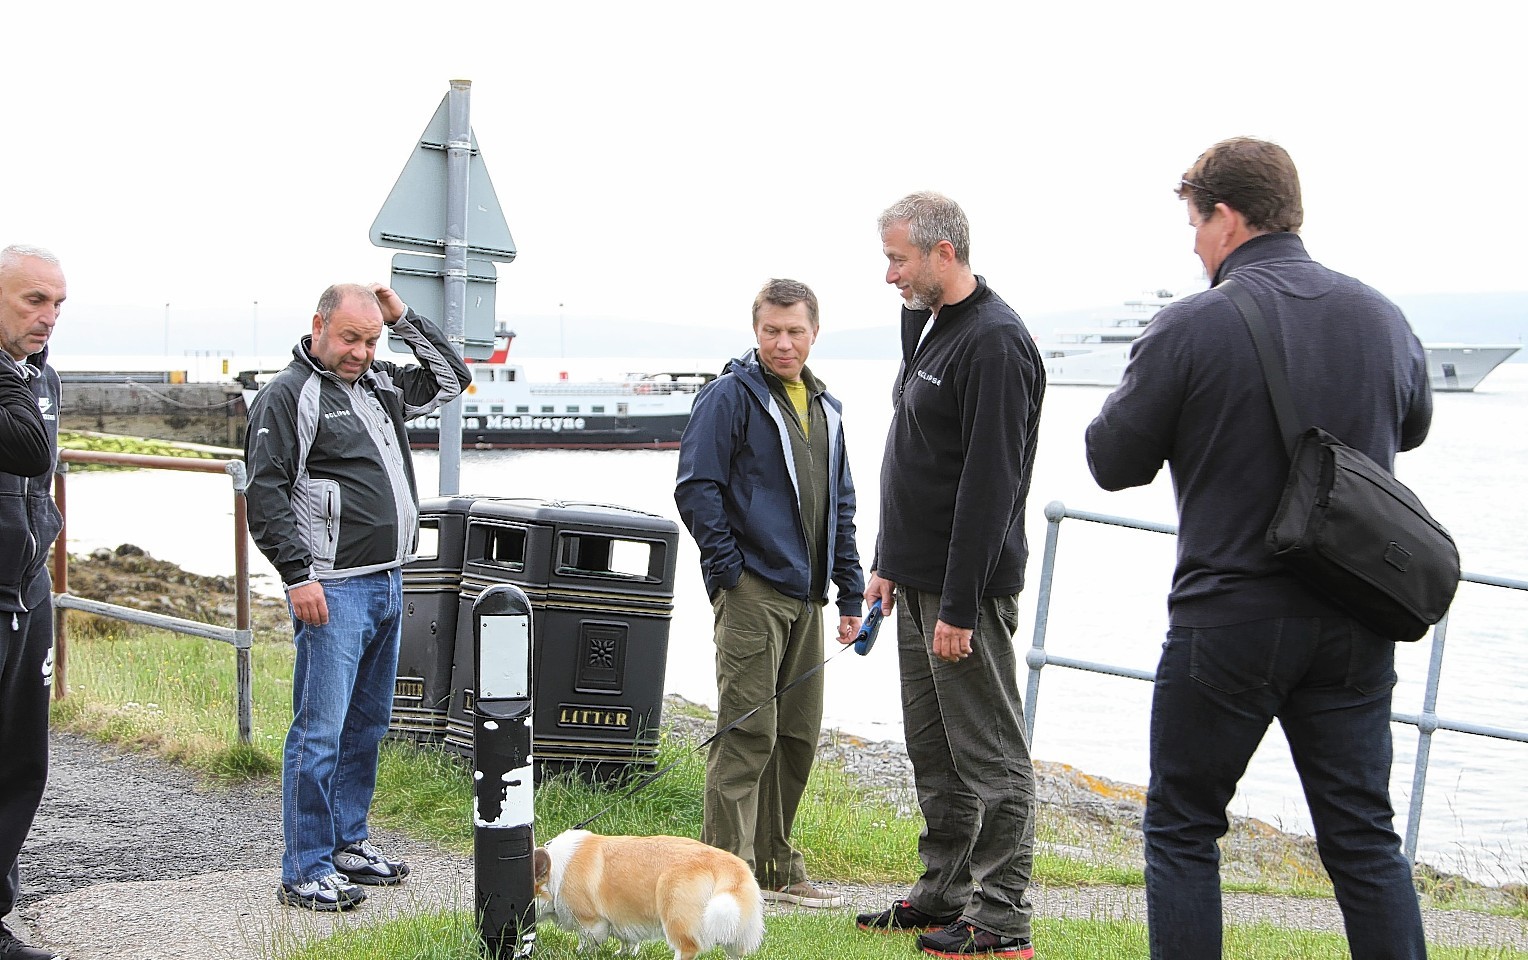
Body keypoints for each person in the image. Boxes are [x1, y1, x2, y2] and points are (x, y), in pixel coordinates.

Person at [1084, 137, 1432, 960]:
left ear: (1227, 217)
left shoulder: (1193, 322)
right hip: (1355, 616)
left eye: (1196, 223)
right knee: (1363, 839)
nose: (1194, 244)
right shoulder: (1381, 315)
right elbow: (1411, 425)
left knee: (1182, 827)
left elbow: (1111, 461)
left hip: (1230, 615)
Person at [857, 194, 1044, 960]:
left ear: (943, 252)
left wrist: (960, 606)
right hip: (915, 580)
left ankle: (1001, 921)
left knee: (990, 755)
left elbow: (988, 487)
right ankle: (944, 892)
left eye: (899, 258)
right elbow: (916, 461)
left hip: (966, 593)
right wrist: (885, 563)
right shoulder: (931, 326)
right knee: (933, 751)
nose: (890, 274)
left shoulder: (996, 344)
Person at [245, 283, 469, 912]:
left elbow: (452, 380)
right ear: (318, 325)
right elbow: (264, 494)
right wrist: (297, 576)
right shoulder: (288, 395)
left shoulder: (380, 384)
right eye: (351, 338)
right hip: (333, 590)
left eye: (371, 340)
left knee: (368, 726)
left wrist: (403, 321)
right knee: (319, 733)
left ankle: (349, 844)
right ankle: (305, 867)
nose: (361, 352)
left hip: (391, 579)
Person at [675, 278, 865, 908]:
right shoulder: (729, 397)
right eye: (771, 331)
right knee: (747, 733)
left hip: (809, 598)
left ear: (814, 332)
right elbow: (696, 487)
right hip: (753, 591)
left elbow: (841, 504)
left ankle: (778, 870)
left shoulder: (827, 408)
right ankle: (722, 881)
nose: (784, 343)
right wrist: (729, 571)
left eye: (795, 331)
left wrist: (849, 593)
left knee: (796, 737)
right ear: (755, 332)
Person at [0, 244, 66, 960]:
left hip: (27, 586)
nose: (48, 318)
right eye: (32, 301)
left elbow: (38, 478)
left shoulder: (41, 376)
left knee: (23, 758)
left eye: (57, 304)